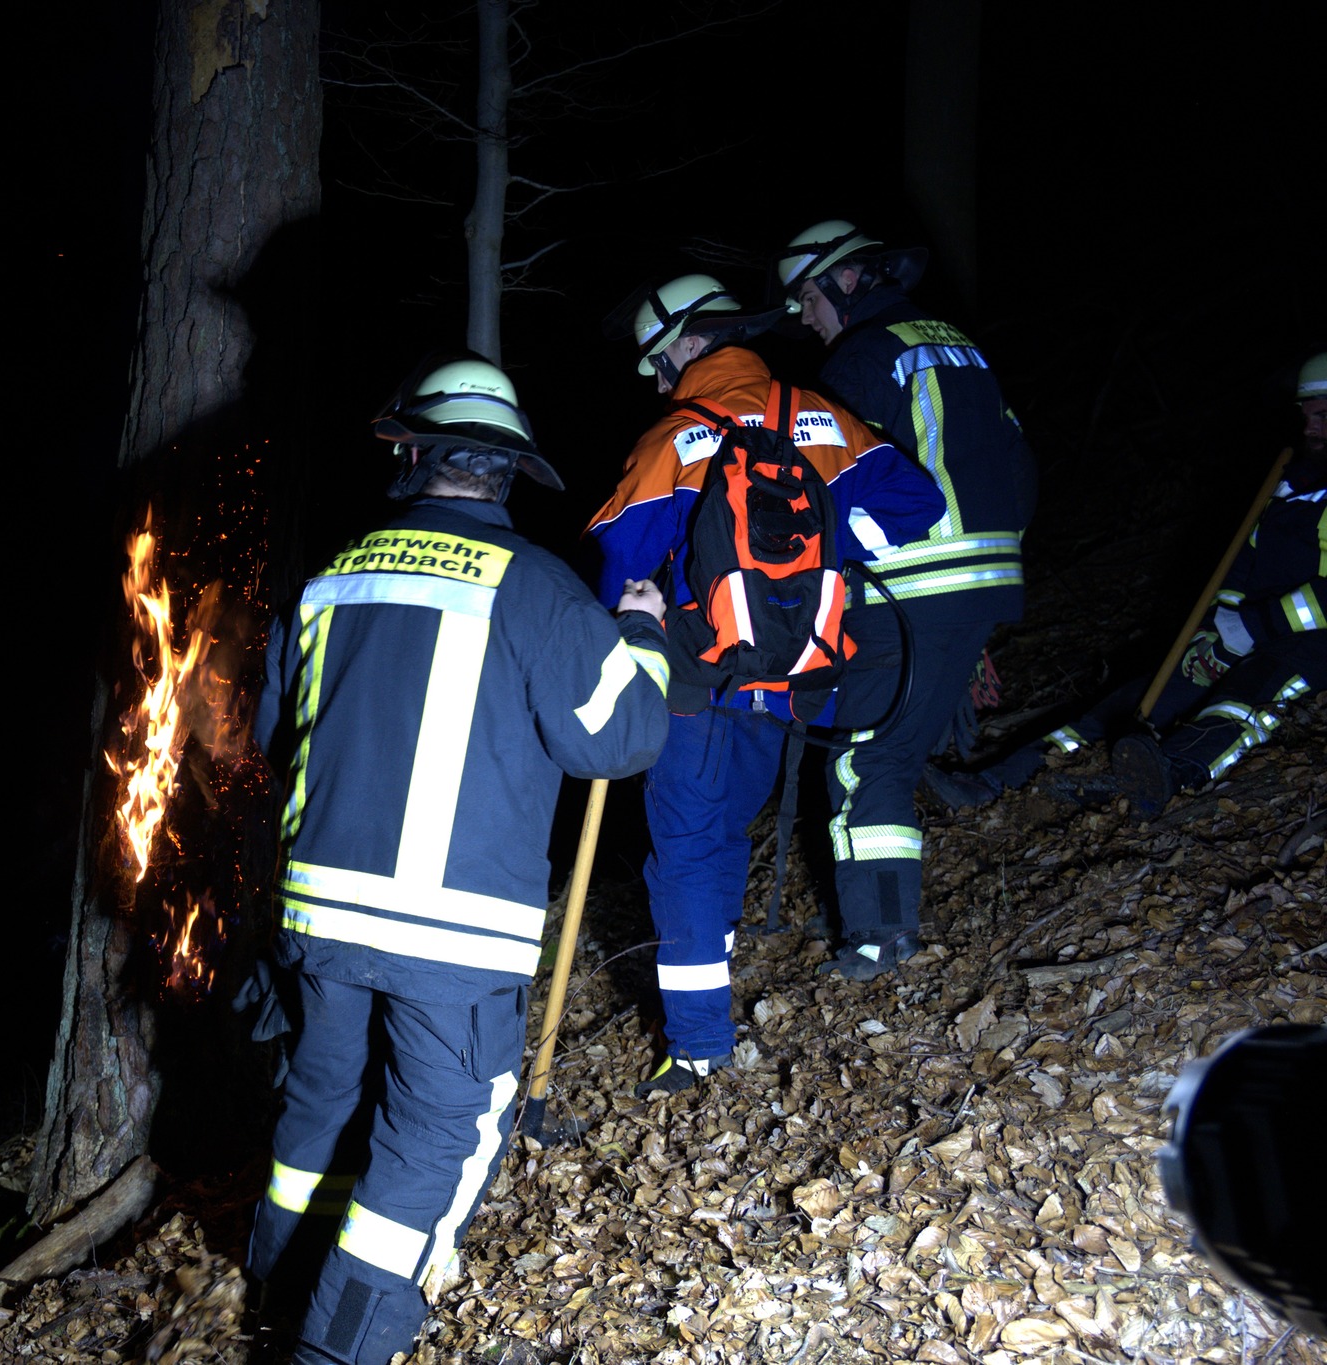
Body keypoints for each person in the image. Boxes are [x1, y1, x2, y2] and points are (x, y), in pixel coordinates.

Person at [247, 352, 674, 1365]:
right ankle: (338, 1348)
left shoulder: (330, 579)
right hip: (452, 930)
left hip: (316, 915)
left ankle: (276, 1290)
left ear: (411, 456)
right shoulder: (537, 590)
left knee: (319, 1099)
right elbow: (616, 741)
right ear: (508, 473)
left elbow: (274, 737)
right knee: (435, 1133)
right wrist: (641, 640)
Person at [584, 275, 945, 1092]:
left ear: (684, 342)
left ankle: (699, 1046)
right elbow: (916, 503)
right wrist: (829, 548)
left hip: (694, 688)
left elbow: (616, 564)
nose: (654, 378)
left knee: (683, 854)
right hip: (796, 687)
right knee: (717, 841)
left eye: (656, 360)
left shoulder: (674, 437)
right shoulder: (823, 419)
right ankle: (710, 994)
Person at [774, 221, 1039, 979]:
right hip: (983, 580)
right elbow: (1017, 462)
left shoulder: (858, 359)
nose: (803, 317)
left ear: (847, 280)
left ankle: (882, 938)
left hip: (908, 588)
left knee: (866, 761)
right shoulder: (963, 347)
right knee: (897, 747)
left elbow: (826, 480)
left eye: (807, 297)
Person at [946, 351, 1327, 814]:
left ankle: (1165, 775)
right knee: (1131, 702)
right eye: (1305, 415)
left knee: (1243, 700)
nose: (1309, 428)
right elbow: (1243, 564)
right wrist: (1222, 624)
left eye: (1322, 416)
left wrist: (1254, 628)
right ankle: (996, 781)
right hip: (1245, 628)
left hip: (1309, 644)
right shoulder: (1292, 484)